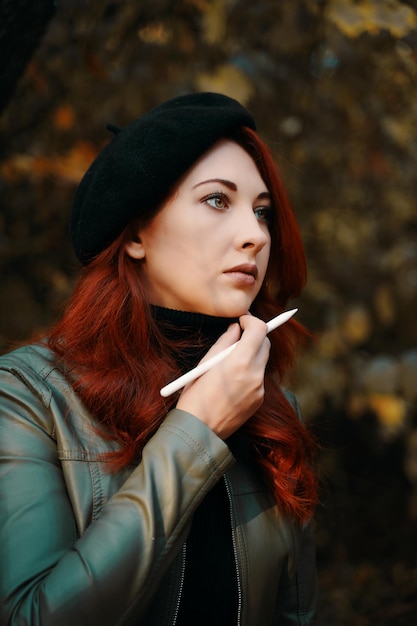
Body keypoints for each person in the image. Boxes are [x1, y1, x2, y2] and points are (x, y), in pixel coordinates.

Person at [0, 92, 319, 625]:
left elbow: (296, 615)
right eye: (218, 200)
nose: (255, 235)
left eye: (262, 212)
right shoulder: (29, 397)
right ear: (135, 235)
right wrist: (196, 431)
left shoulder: (275, 409)